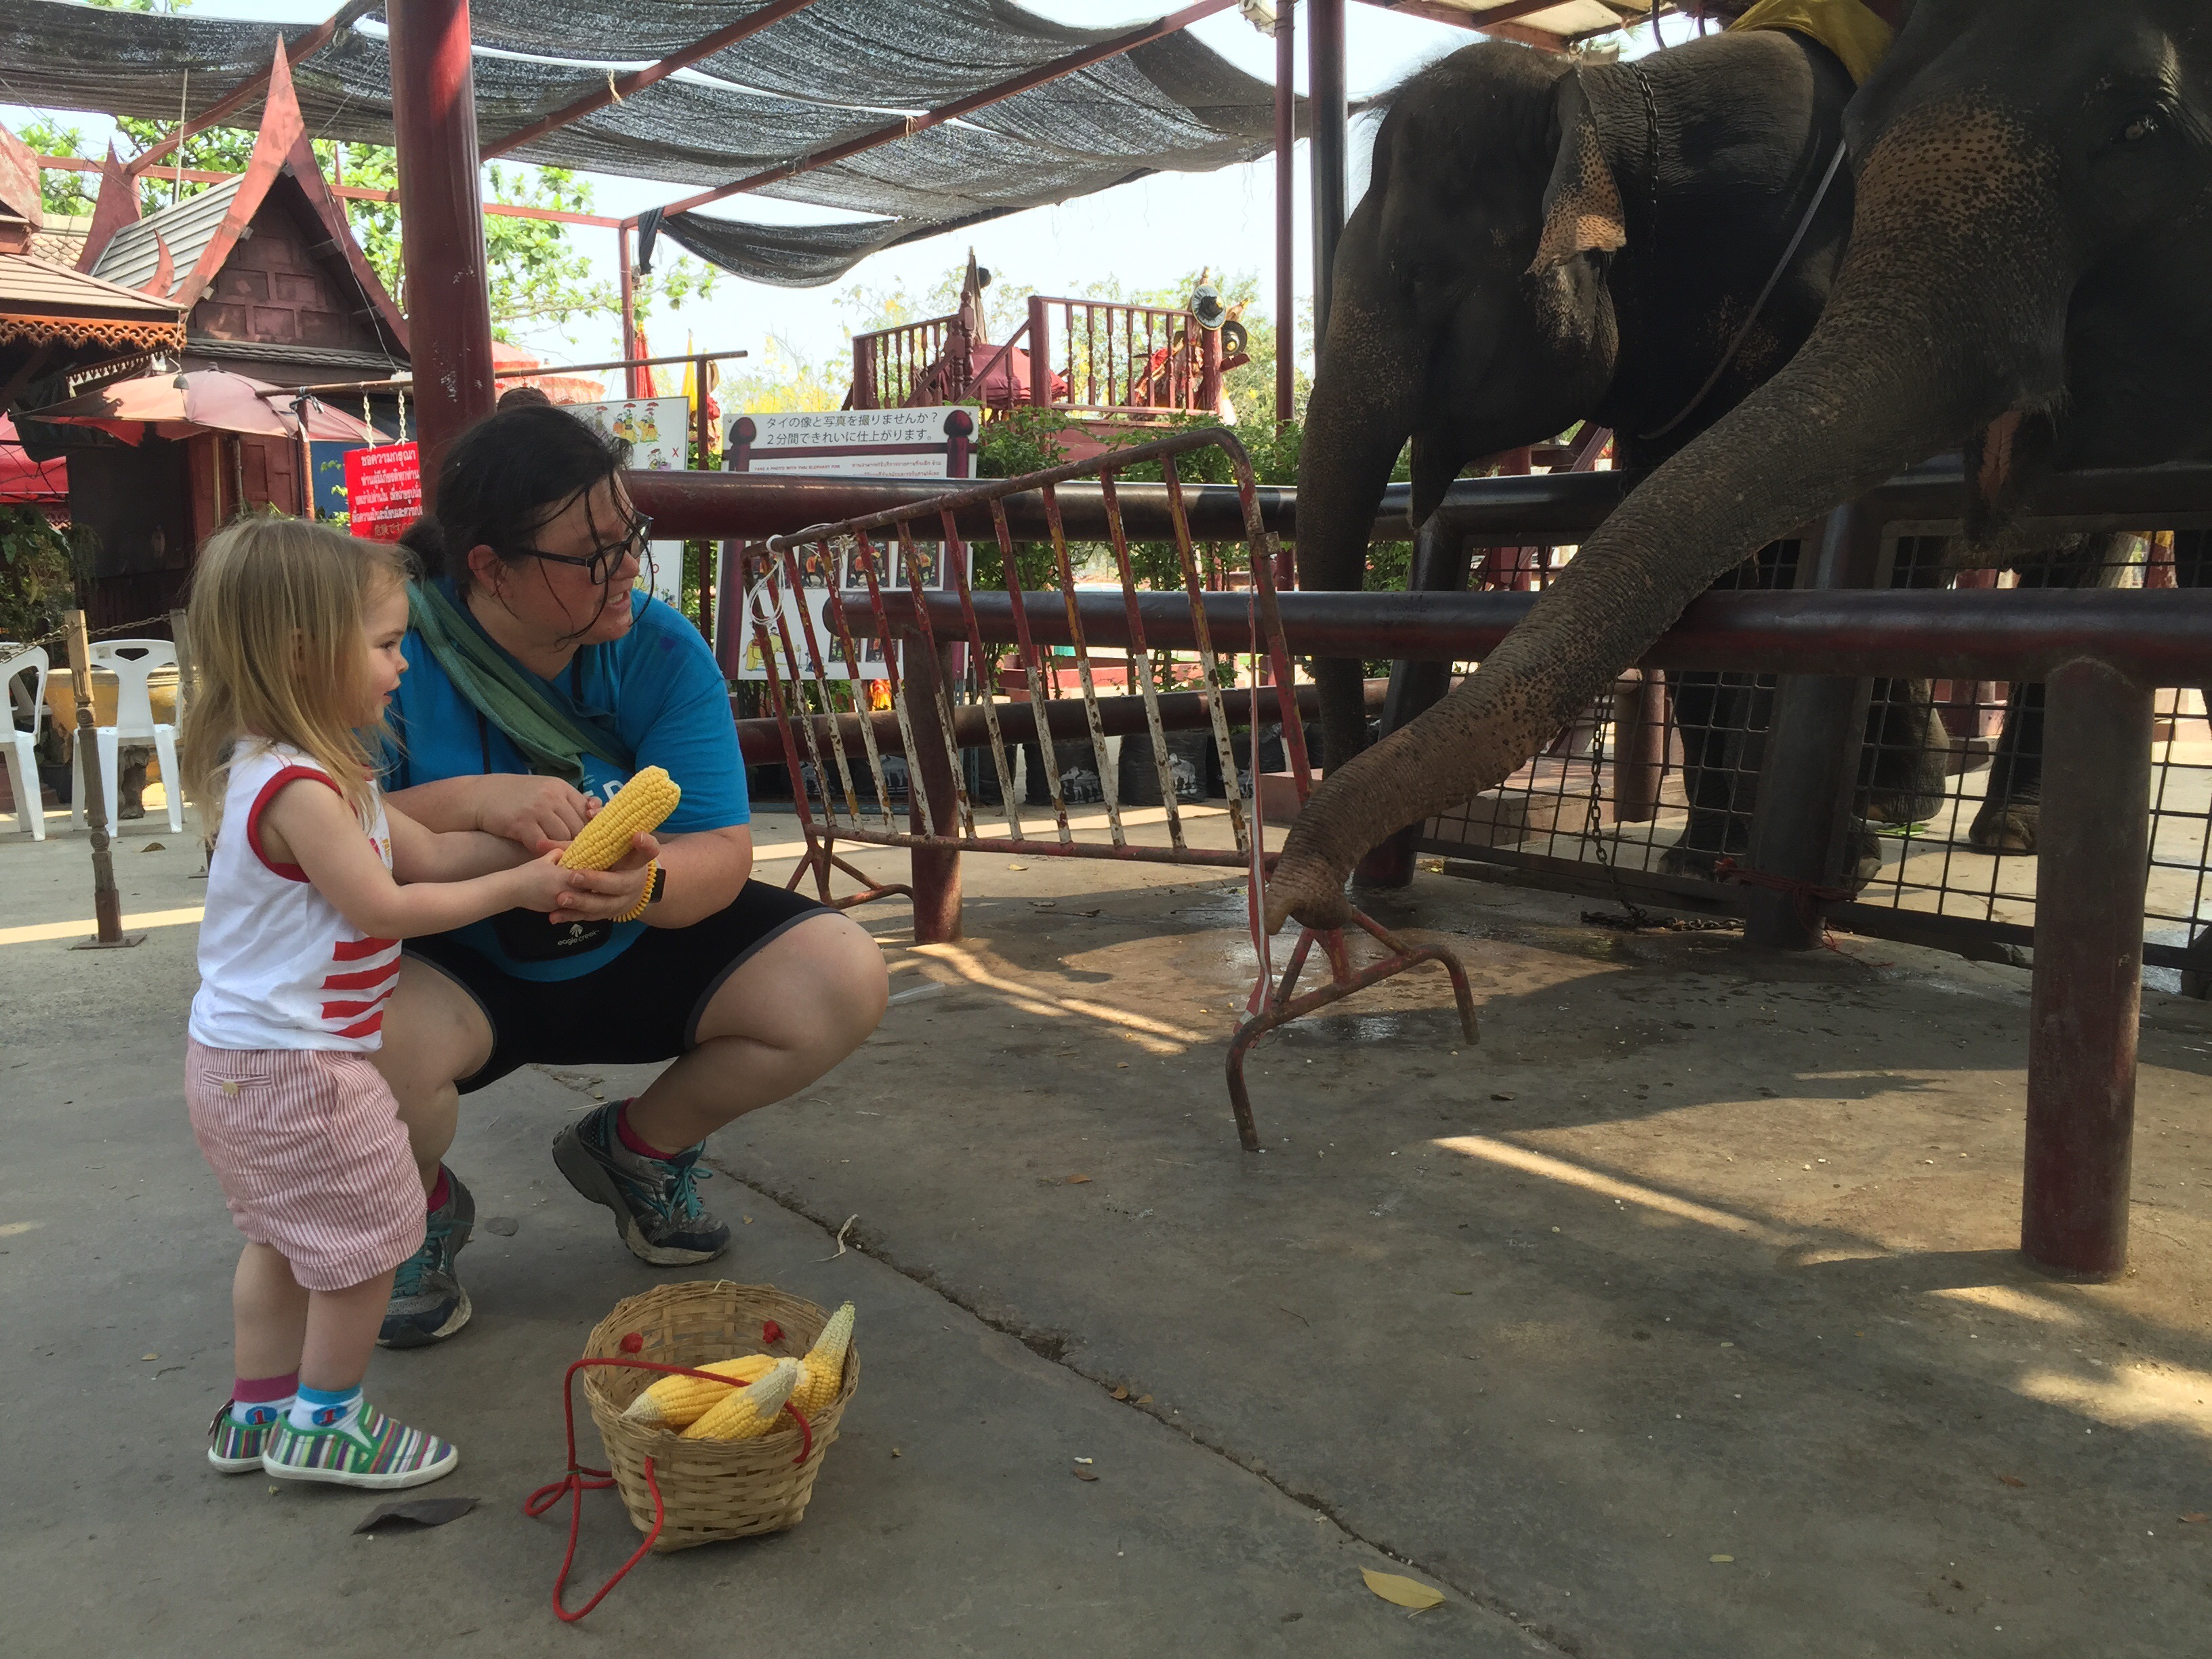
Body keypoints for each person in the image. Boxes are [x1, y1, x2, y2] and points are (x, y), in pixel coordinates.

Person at [375, 403, 886, 1348]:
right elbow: (315, 820)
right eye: (591, 554)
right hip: (457, 957)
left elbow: (719, 848)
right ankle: (411, 1207)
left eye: (630, 537)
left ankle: (637, 1151)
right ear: (490, 567)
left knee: (840, 974)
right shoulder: (389, 648)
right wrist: (478, 802)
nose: (626, 572)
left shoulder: (659, 647)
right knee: (332, 1034)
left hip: (625, 941)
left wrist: (644, 889)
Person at [180, 519, 584, 1487]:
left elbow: (430, 853)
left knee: (282, 1240)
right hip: (301, 1070)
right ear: (302, 652)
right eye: (387, 644)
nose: (404, 665)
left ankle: (259, 1414)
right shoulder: (301, 791)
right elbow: (387, 907)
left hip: (239, 1067)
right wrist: (519, 890)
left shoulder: (306, 772)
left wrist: (552, 849)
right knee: (367, 1246)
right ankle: (327, 1424)